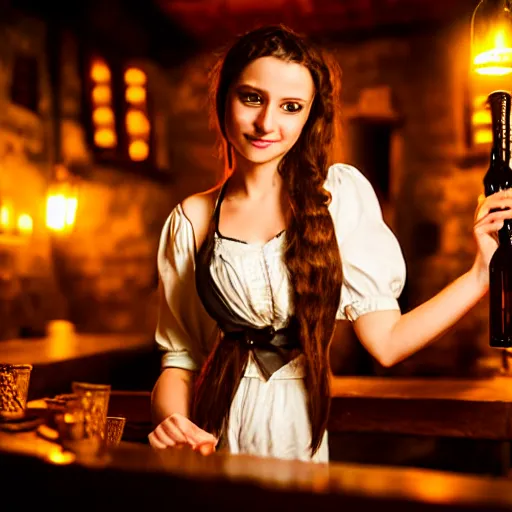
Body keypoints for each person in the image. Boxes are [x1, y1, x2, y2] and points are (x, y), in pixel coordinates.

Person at [148, 25, 512, 463]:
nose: (267, 123)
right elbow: (179, 360)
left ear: (308, 116)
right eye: (251, 98)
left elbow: (388, 343)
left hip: (295, 434)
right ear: (224, 96)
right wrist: (172, 422)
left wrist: (479, 275)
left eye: (290, 107)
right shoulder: (190, 220)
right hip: (210, 439)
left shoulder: (338, 199)